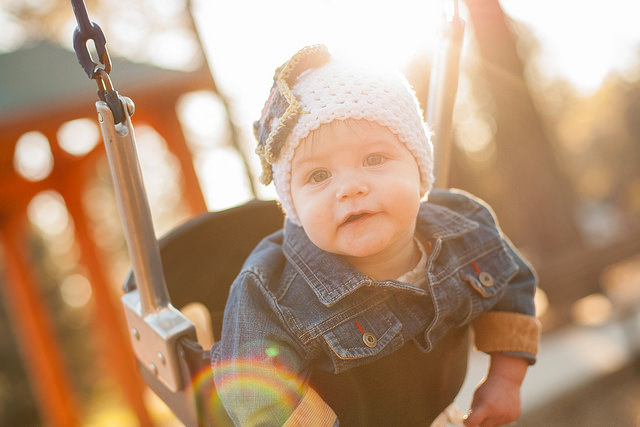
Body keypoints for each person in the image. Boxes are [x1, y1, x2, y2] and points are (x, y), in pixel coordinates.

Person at [210, 44, 540, 427]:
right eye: (319, 176)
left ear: (419, 171)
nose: (349, 188)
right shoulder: (270, 290)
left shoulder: (463, 225)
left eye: (374, 159)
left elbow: (512, 282)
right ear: (294, 206)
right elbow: (252, 387)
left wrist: (505, 379)